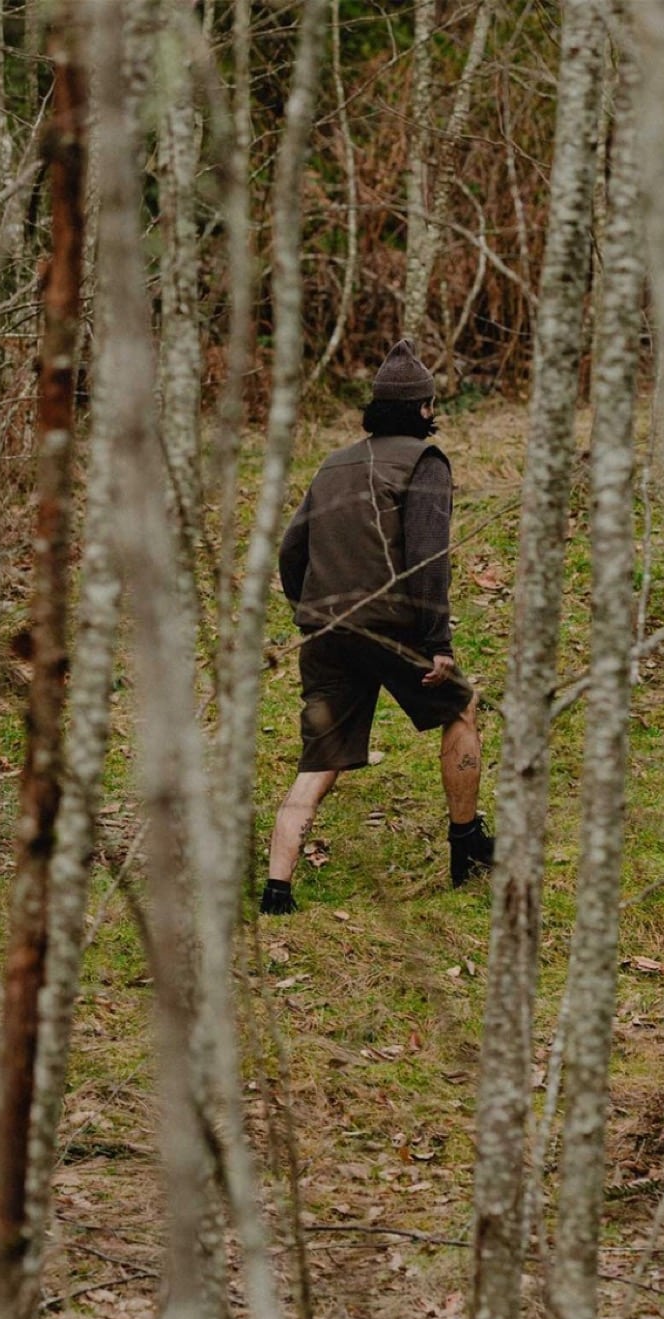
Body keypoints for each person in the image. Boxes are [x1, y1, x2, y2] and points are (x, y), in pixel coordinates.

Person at [260, 339, 493, 915]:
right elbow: (427, 559)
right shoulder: (425, 462)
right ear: (423, 408)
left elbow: (291, 550)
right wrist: (437, 643)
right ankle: (467, 847)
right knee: (462, 707)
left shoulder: (333, 464)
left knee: (322, 759)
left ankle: (276, 891)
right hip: (391, 627)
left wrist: (310, 611)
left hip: (325, 629)